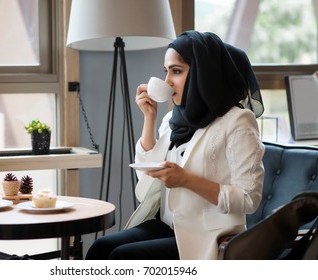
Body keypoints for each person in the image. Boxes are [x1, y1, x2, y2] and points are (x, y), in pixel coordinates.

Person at [86, 30, 265, 260]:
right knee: (100, 248)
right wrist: (149, 119)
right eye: (166, 71)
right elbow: (146, 180)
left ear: (203, 73)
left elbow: (249, 198)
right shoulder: (174, 119)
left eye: (177, 71)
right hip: (167, 225)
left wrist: (187, 180)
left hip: (206, 235)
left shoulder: (238, 121)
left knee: (122, 257)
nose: (167, 81)